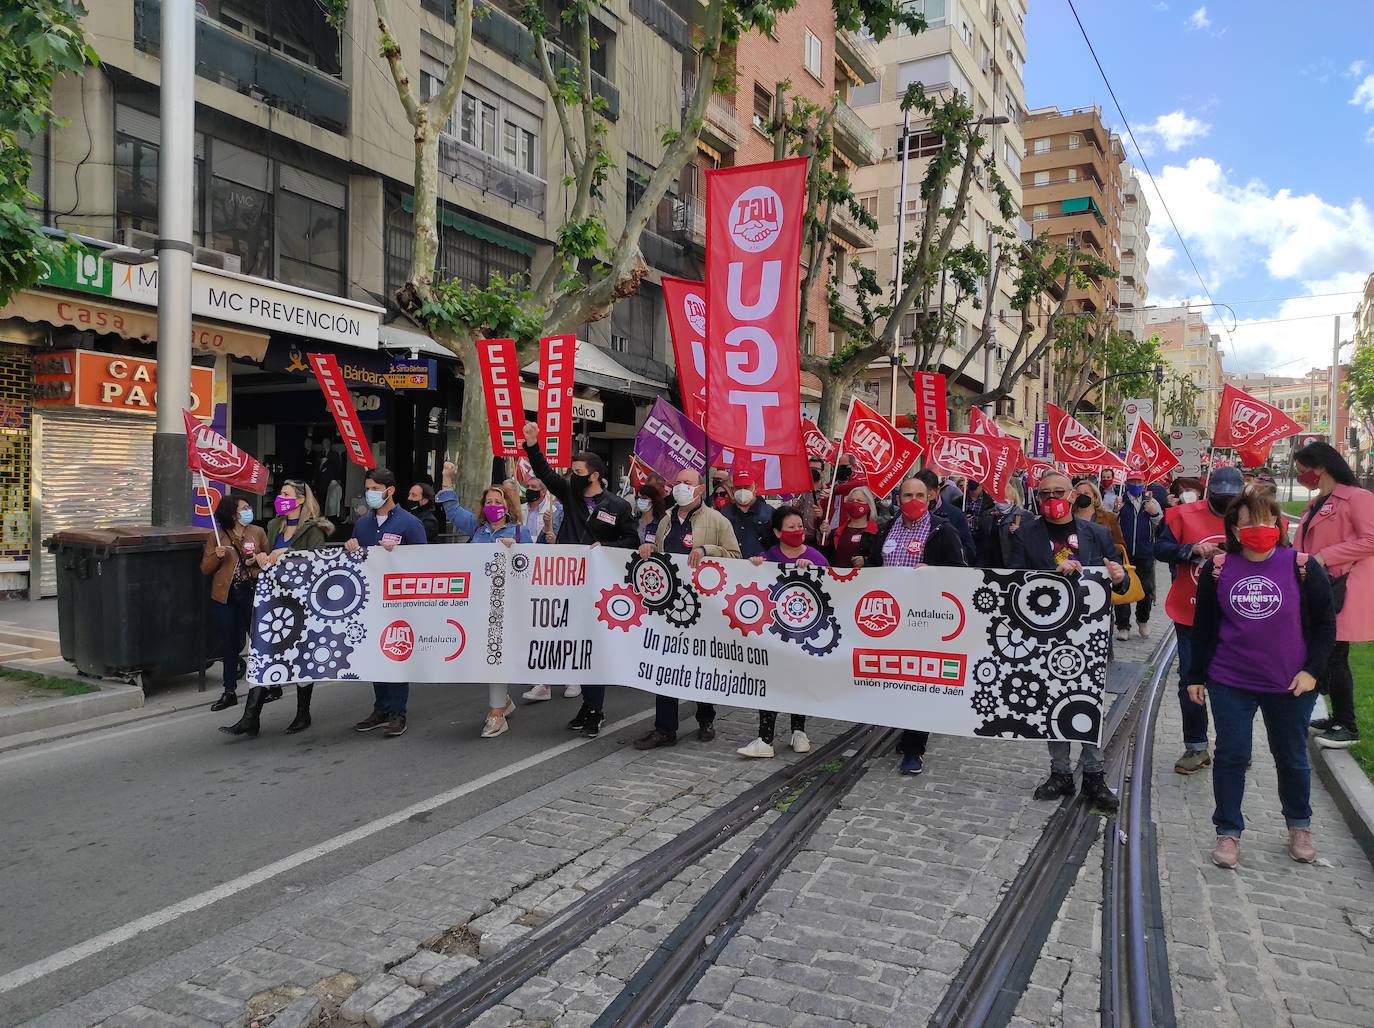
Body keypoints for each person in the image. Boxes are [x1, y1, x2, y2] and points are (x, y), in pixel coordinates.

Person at [1188, 486, 1336, 868]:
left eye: (1266, 520)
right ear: (1234, 530)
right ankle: (1228, 832)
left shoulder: (1302, 566)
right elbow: (1203, 626)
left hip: (1290, 683)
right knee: (1231, 755)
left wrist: (1312, 671)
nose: (1259, 527)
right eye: (1248, 522)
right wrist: (1196, 675)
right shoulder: (1218, 569)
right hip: (1230, 679)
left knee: (1291, 758)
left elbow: (1324, 626)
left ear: (1278, 524)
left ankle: (1299, 825)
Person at [1009, 470, 1130, 810]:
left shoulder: (1097, 534)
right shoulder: (1026, 535)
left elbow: (1117, 583)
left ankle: (1094, 774)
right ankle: (1059, 772)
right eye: (1045, 494)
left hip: (1087, 635)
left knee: (1088, 701)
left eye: (1057, 492)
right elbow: (1014, 580)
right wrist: (1051, 576)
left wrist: (1117, 576)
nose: (1051, 499)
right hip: (1044, 633)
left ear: (1073, 494)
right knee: (1051, 701)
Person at [522, 423, 638, 737]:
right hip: (566, 582)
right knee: (573, 645)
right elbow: (545, 473)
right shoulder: (569, 494)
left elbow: (631, 540)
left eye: (578, 470)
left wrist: (607, 547)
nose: (573, 475)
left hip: (598, 588)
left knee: (593, 647)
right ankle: (586, 705)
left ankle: (595, 709)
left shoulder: (617, 505)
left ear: (596, 474)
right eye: (571, 471)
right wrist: (532, 444)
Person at [634, 467, 742, 749]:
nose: (681, 486)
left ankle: (706, 718)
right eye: (678, 482)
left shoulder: (717, 521)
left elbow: (735, 555)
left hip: (703, 606)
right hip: (669, 605)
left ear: (700, 489)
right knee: (666, 664)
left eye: (688, 483)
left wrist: (708, 551)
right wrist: (647, 552)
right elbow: (656, 554)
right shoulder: (666, 519)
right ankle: (664, 728)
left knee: (700, 662)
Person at [872, 475, 966, 773]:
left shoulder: (942, 530)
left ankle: (915, 747)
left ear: (930, 498)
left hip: (925, 620)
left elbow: (961, 573)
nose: (912, 501)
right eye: (906, 495)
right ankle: (906, 730)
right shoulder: (888, 528)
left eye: (919, 496)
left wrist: (935, 572)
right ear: (898, 499)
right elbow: (876, 567)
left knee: (918, 684)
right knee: (897, 681)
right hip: (889, 620)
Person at [1157, 466, 1246, 774]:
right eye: (1222, 498)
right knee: (1190, 681)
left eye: (1233, 500)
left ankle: (1235, 745)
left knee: (1236, 682)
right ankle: (1196, 747)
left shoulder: (1252, 515)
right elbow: (1160, 548)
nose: (1227, 506)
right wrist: (1191, 549)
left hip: (1238, 616)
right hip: (1190, 612)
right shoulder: (1183, 515)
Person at [438, 467, 532, 737]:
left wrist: (514, 551)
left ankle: (496, 712)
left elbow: (531, 566)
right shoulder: (477, 528)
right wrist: (447, 479)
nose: (493, 506)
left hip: (506, 604)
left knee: (495, 654)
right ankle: (501, 701)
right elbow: (453, 510)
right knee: (484, 656)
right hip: (477, 601)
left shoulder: (519, 532)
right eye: (488, 502)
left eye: (498, 501)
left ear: (507, 505)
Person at [1293, 441, 1374, 750]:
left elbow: (1371, 538)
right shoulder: (1318, 502)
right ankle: (1337, 717)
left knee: (1336, 654)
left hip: (1344, 587)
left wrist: (1327, 556)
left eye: (1303, 470)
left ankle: (1347, 724)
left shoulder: (1357, 497)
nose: (1301, 475)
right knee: (1329, 652)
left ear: (1320, 467)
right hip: (1319, 586)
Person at [243, 480, 333, 734]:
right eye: (280, 493)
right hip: (274, 600)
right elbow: (268, 557)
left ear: (301, 499)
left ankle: (303, 714)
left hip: (302, 602)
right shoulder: (273, 525)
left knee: (302, 656)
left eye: (286, 494)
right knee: (265, 653)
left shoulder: (313, 529)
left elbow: (316, 562)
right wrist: (258, 558)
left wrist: (288, 553)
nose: (280, 498)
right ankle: (250, 718)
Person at [348, 468, 429, 738]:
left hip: (399, 601)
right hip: (370, 600)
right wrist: (351, 548)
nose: (370, 493)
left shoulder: (409, 523)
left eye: (374, 488)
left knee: (395, 652)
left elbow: (425, 562)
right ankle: (381, 707)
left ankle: (398, 711)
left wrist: (399, 556)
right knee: (374, 655)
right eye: (367, 488)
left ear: (389, 490)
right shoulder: (363, 524)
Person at [738, 506, 823, 758]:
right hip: (775, 635)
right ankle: (765, 738)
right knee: (772, 682)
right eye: (790, 527)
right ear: (777, 532)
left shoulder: (817, 558)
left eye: (800, 526)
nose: (797, 531)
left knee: (799, 680)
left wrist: (813, 571)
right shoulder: (768, 558)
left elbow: (832, 591)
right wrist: (753, 566)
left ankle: (799, 731)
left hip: (805, 635)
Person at [204, 496, 269, 729]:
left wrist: (256, 560)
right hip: (225, 596)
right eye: (244, 508)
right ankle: (229, 690)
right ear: (232, 513)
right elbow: (205, 568)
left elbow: (268, 562)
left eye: (249, 508)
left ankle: (271, 684)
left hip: (251, 593)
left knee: (260, 642)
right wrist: (216, 556)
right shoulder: (216, 534)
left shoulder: (257, 532)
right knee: (229, 644)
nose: (248, 511)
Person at [519, 472, 577, 704]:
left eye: (536, 486)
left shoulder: (564, 510)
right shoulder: (528, 511)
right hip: (537, 574)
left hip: (564, 574)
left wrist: (555, 538)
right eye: (528, 486)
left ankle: (573, 676)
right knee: (543, 625)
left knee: (565, 625)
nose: (530, 489)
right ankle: (544, 681)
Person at [1113, 471, 1164, 642]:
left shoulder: (1150, 501)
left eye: (1139, 481)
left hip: (1145, 552)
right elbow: (1110, 524)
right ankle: (1123, 626)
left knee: (1146, 589)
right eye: (1132, 481)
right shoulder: (1120, 500)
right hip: (1124, 553)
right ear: (1126, 483)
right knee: (1121, 589)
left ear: (1144, 482)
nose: (1136, 484)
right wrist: (1115, 511)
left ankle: (1143, 620)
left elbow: (1161, 525)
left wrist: (1154, 513)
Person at [915, 468, 976, 564]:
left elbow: (969, 552)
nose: (925, 499)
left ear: (938, 490)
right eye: (919, 495)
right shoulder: (903, 516)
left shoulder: (955, 515)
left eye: (929, 494)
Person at [974, 479, 1029, 570]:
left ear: (1012, 498)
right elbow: (981, 542)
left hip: (1012, 567)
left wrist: (1018, 531)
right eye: (998, 498)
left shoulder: (1024, 516)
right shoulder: (987, 515)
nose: (1000, 502)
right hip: (989, 566)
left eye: (1004, 499)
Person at [722, 470, 775, 558]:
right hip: (731, 566)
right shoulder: (724, 514)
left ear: (755, 488)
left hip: (762, 567)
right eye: (738, 487)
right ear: (732, 489)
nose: (743, 491)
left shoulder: (769, 513)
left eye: (747, 487)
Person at [824, 485, 880, 569]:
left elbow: (880, 560)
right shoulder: (836, 532)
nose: (854, 503)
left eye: (859, 500)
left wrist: (865, 561)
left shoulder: (878, 533)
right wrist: (826, 536)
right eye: (851, 500)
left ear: (869, 505)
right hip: (838, 579)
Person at [523, 474, 563, 547]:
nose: (529, 489)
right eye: (528, 486)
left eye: (533, 487)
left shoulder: (555, 510)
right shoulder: (520, 509)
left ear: (543, 492)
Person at [633, 481, 668, 546]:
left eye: (644, 498)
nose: (640, 500)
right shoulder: (633, 522)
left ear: (653, 500)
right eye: (638, 497)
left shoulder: (662, 523)